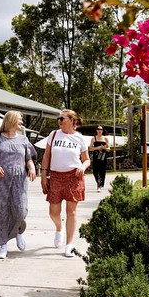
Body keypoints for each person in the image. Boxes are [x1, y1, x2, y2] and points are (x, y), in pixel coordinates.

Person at [0, 111, 37, 259]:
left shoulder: (24, 139)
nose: (22, 122)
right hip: (0, 179)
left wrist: (31, 167)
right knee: (1, 211)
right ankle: (3, 244)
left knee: (20, 210)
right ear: (11, 120)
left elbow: (29, 158)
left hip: (19, 179)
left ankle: (18, 231)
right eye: (20, 120)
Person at [40, 109, 90, 258]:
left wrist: (82, 166)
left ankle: (69, 245)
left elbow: (86, 159)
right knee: (53, 212)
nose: (59, 121)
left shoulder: (80, 139)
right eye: (58, 118)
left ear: (71, 120)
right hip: (55, 176)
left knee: (71, 211)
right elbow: (46, 156)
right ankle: (59, 228)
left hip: (74, 177)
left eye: (62, 118)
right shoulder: (54, 135)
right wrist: (44, 174)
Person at [89, 126, 110, 192]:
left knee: (102, 171)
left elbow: (109, 149)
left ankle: (99, 186)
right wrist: (97, 148)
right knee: (95, 171)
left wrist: (104, 148)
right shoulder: (93, 138)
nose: (99, 130)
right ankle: (98, 184)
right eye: (98, 129)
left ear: (103, 130)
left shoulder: (105, 138)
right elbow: (90, 148)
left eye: (101, 129)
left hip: (103, 157)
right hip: (96, 157)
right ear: (96, 130)